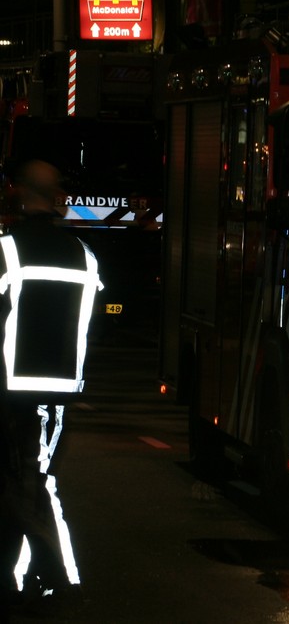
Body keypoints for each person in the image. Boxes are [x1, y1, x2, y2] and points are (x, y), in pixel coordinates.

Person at [1, 159, 101, 610]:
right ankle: (23, 579)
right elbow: (96, 325)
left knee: (24, 487)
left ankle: (56, 575)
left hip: (11, 391)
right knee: (33, 481)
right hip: (58, 395)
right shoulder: (84, 255)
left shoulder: (7, 251)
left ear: (22, 193)